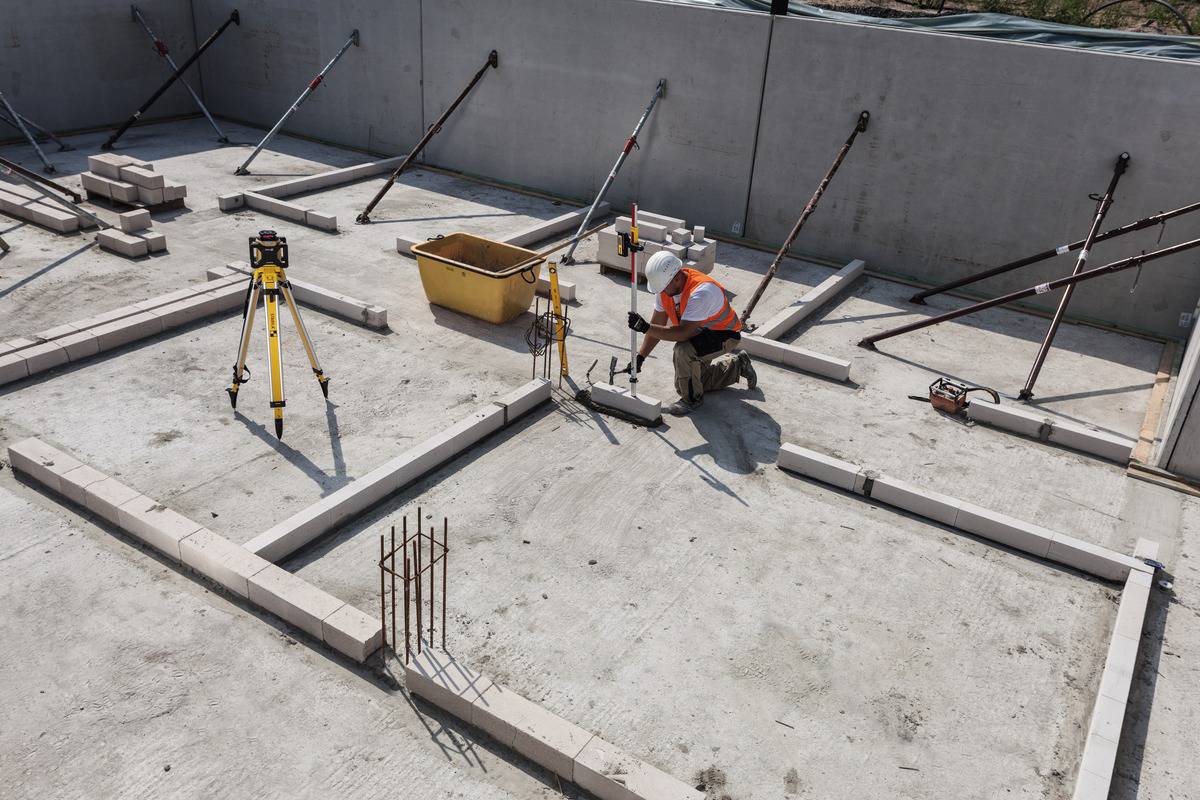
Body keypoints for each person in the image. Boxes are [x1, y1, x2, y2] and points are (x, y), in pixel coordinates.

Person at [626, 251, 756, 416]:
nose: (662, 292)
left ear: (677, 278)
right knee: (691, 382)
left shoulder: (702, 292)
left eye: (664, 288)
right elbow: (656, 325)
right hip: (699, 332)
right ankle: (738, 366)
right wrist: (640, 357)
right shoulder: (666, 289)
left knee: (683, 351)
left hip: (723, 334)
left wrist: (645, 327)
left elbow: (683, 334)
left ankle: (692, 400)